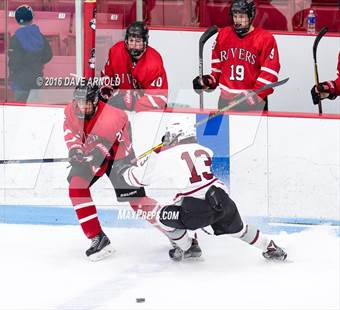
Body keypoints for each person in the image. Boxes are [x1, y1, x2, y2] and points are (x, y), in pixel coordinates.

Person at [119, 114, 287, 261]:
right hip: (221, 200)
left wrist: (125, 170)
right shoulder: (204, 150)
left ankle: (189, 246)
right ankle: (270, 247)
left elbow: (137, 179)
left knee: (162, 217)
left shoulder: (166, 156)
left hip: (194, 211)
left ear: (176, 134)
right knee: (241, 229)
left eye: (169, 135)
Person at [63, 80, 200, 261]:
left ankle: (177, 232)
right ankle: (98, 238)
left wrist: (97, 153)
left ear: (96, 100)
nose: (83, 107)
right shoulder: (71, 110)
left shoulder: (113, 117)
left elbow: (115, 148)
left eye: (87, 102)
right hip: (91, 151)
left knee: (137, 202)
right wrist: (75, 150)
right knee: (76, 188)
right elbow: (71, 132)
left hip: (118, 156)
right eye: (79, 102)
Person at [192, 0, 281, 111]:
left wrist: (251, 97)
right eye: (235, 16)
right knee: (224, 129)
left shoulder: (265, 39)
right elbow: (217, 73)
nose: (237, 21)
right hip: (225, 103)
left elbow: (269, 75)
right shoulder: (223, 35)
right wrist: (207, 82)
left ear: (251, 16)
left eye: (242, 16)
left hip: (254, 105)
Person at [100, 21, 168, 112]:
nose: (134, 45)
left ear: (145, 42)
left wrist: (132, 103)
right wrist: (106, 94)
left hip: (146, 113)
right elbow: (107, 78)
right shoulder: (116, 51)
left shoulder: (154, 63)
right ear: (126, 40)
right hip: (119, 110)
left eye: (138, 41)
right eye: (131, 40)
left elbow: (160, 99)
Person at [8, 5, 52, 102]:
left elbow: (14, 63)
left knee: (20, 110)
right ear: (32, 19)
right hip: (36, 79)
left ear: (17, 20)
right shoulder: (40, 36)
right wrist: (37, 62)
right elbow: (48, 55)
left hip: (21, 81)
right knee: (34, 110)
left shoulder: (15, 39)